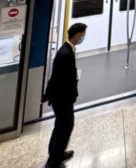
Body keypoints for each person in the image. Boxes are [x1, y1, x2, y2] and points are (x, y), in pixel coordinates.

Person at [43, 23, 86, 168]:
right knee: (65, 126)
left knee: (60, 125)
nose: (83, 37)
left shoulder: (67, 50)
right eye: (83, 34)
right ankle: (53, 162)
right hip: (62, 99)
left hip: (60, 98)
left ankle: (57, 153)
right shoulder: (65, 54)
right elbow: (57, 78)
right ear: (77, 35)